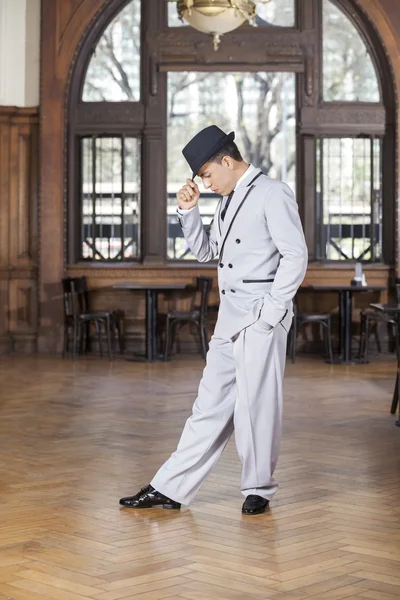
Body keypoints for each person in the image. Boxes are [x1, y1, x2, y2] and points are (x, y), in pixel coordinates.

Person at [120, 125, 308, 515]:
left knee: (256, 408)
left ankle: (259, 488)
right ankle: (170, 487)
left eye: (206, 175)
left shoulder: (273, 193)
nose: (205, 183)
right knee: (209, 406)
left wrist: (271, 315)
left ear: (227, 160)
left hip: (260, 316)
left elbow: (296, 256)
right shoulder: (224, 201)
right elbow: (206, 252)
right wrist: (188, 211)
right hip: (229, 318)